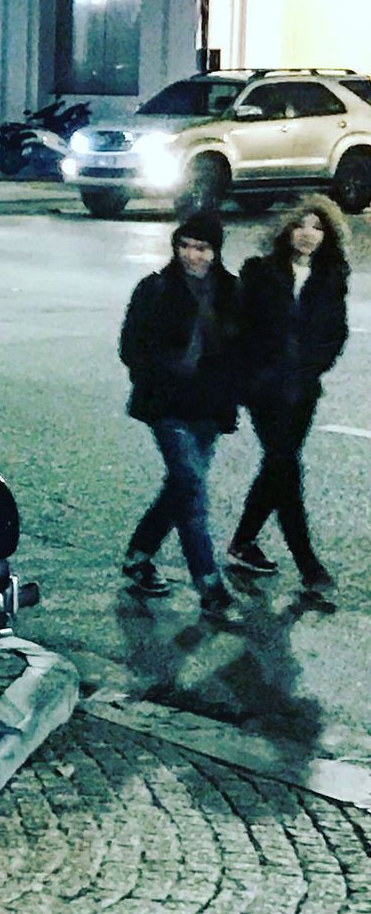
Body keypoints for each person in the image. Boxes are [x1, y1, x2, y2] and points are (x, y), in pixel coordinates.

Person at [119, 212, 241, 619]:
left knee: (179, 489)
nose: (192, 255)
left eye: (202, 248)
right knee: (191, 491)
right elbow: (130, 346)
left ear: (216, 251)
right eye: (185, 246)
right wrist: (159, 374)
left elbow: (243, 350)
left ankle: (138, 557)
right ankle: (210, 587)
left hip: (209, 409)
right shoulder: (155, 288)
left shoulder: (230, 291)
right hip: (168, 407)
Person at [226, 196, 349, 595]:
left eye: (317, 227)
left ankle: (244, 541)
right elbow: (240, 328)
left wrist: (312, 367)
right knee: (285, 468)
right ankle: (309, 566)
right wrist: (258, 371)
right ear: (287, 230)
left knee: (279, 465)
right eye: (301, 225)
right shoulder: (260, 272)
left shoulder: (331, 276)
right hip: (264, 389)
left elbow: (336, 333)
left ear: (326, 234)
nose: (308, 234)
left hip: (302, 390)